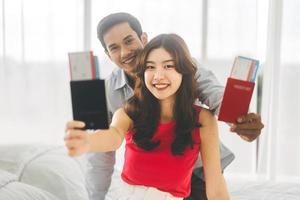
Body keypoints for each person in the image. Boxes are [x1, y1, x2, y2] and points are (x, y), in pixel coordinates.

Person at [87, 13, 264, 200]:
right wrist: (95, 196)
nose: (124, 53)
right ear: (107, 54)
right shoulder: (110, 93)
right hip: (145, 180)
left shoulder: (182, 65)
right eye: (114, 48)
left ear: (143, 38)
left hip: (196, 167)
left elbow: (214, 93)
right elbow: (103, 151)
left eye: (129, 41)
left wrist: (239, 120)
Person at [65, 33, 230, 200]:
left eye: (168, 66)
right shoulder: (129, 112)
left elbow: (215, 185)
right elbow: (113, 136)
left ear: (183, 70)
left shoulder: (203, 119)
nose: (158, 76)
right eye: (150, 67)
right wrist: (88, 141)